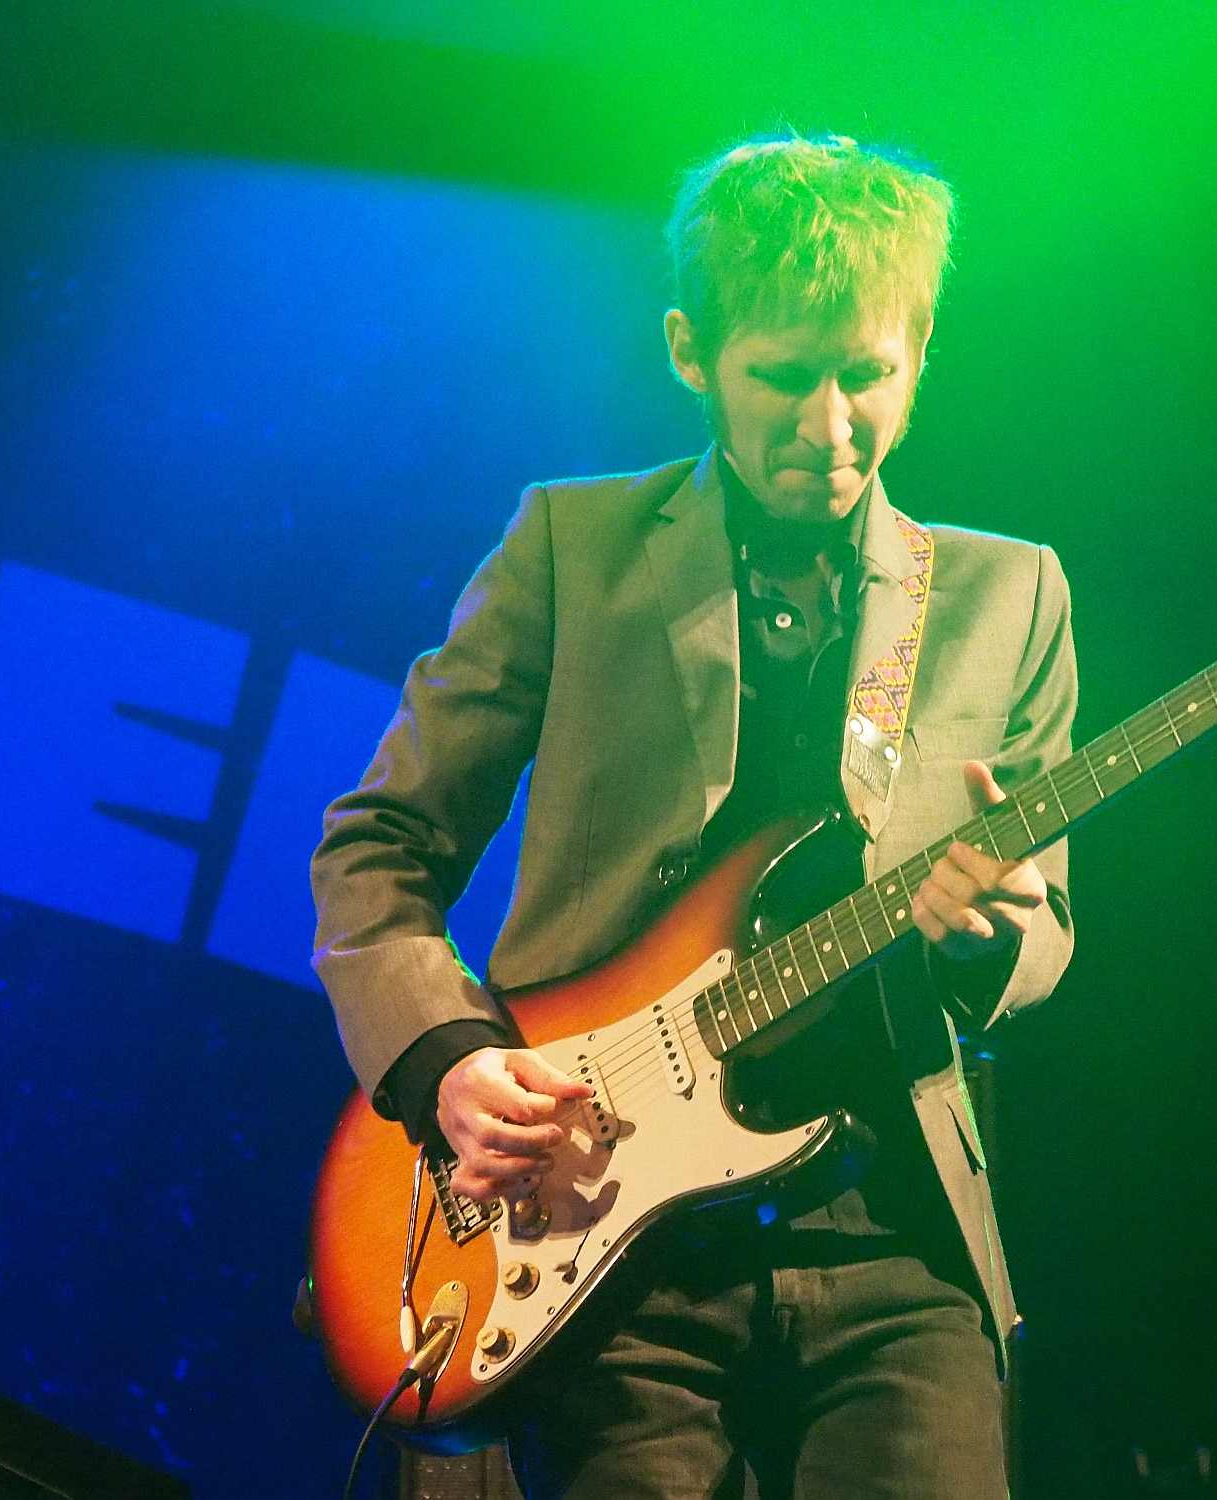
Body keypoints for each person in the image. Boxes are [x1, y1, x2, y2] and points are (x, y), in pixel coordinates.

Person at [310, 134, 1076, 1499]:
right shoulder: (572, 549)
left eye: (867, 376)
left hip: (890, 1241)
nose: (829, 427)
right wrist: (448, 1064)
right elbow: (380, 846)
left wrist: (992, 936)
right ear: (690, 351)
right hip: (603, 1237)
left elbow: (1044, 930)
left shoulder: (1009, 597)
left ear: (920, 353)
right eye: (782, 376)